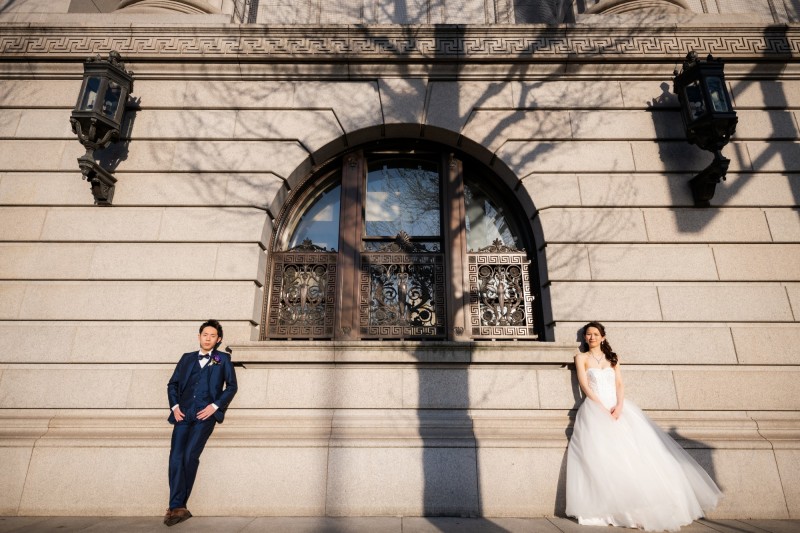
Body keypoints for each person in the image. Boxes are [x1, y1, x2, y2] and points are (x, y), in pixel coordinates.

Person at [566, 321, 721, 531]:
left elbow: (619, 383)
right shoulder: (581, 358)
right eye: (588, 334)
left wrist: (619, 406)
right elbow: (584, 385)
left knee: (634, 454)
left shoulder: (613, 358)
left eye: (595, 334)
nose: (591, 337)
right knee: (605, 458)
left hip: (618, 407)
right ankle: (611, 507)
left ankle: (641, 506)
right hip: (595, 409)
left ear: (603, 337)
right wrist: (600, 407)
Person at [164, 319, 238, 527]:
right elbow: (173, 384)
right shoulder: (186, 358)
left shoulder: (222, 359)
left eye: (212, 335)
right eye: (205, 334)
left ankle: (177, 505)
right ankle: (176, 506)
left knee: (189, 455)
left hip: (204, 415)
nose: (208, 338)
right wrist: (175, 407)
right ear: (199, 337)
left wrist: (215, 407)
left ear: (218, 339)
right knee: (175, 457)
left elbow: (231, 387)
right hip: (183, 413)